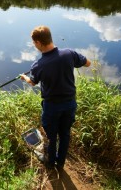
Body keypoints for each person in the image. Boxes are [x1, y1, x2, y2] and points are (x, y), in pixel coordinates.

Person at [20, 25, 91, 170]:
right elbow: (88, 63)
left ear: (39, 42)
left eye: (34, 43)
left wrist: (25, 77)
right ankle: (60, 163)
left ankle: (50, 162)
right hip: (70, 104)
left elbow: (32, 82)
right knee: (65, 134)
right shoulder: (69, 53)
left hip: (52, 107)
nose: (34, 45)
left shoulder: (38, 65)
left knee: (51, 137)